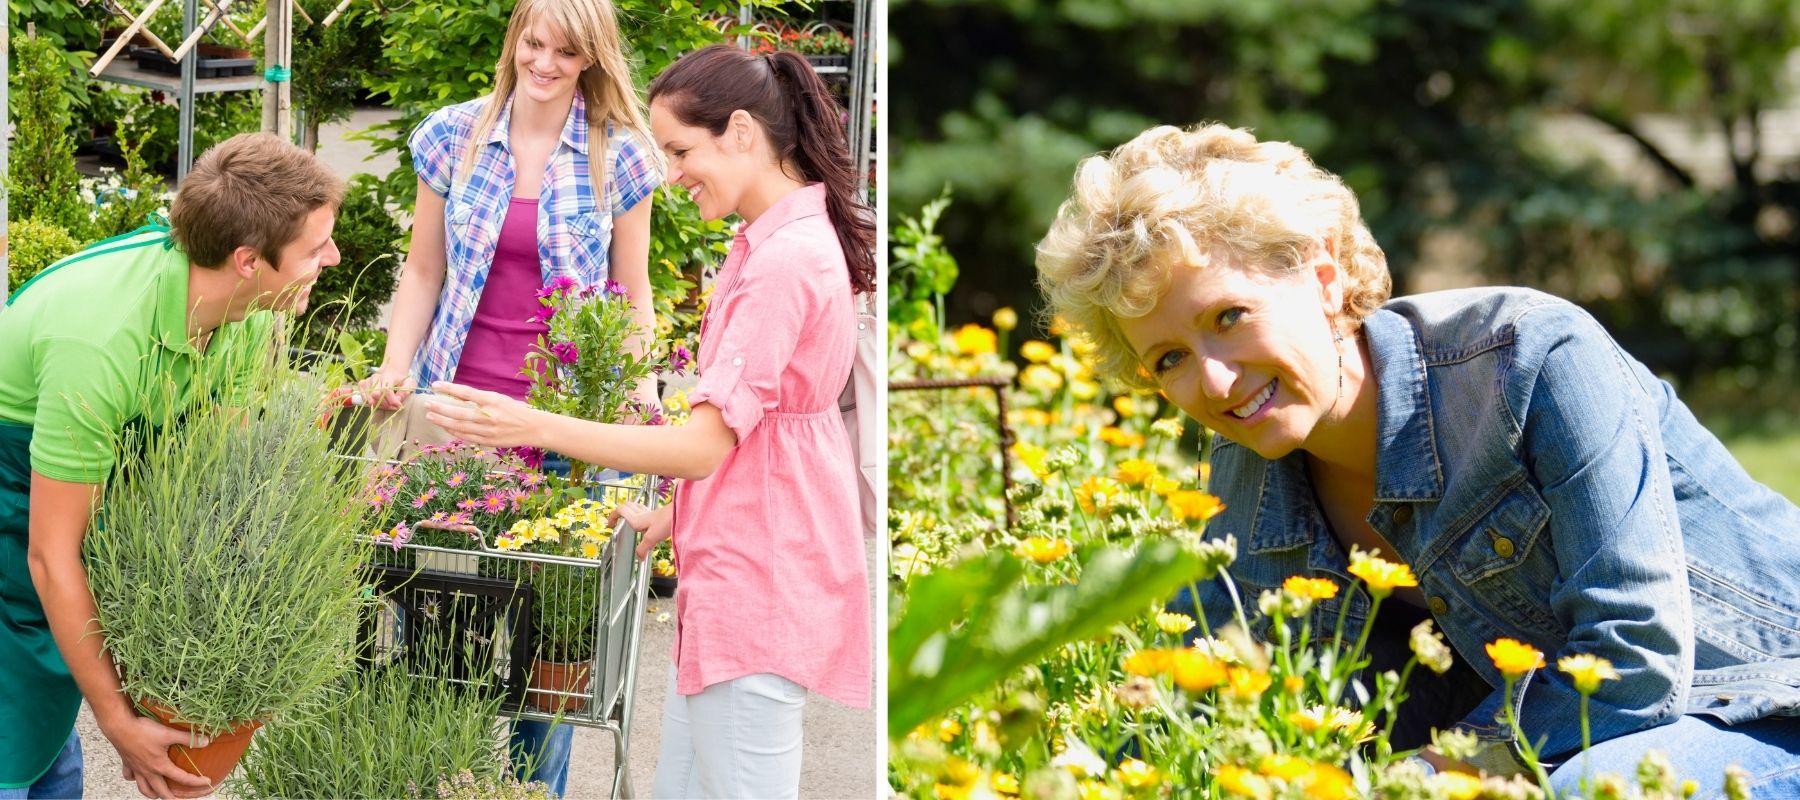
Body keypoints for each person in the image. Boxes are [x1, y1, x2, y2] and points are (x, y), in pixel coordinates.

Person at [1034, 123, 1800, 794]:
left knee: (1598, 788)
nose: (1215, 382)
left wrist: (1422, 779)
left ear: (1324, 277)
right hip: (1542, 756)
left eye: (1229, 317)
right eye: (1168, 359)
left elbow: (1632, 659)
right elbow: (1202, 694)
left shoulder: (1529, 360)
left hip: (1761, 703)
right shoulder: (1246, 471)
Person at [424, 44, 876, 799]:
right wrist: (673, 516)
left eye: (680, 150)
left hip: (755, 585)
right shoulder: (769, 239)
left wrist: (530, 424)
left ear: (740, 132)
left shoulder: (783, 261)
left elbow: (704, 446)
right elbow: (758, 431)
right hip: (743, 563)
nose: (670, 174)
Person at [344, 0, 660, 789]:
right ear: (513, 41)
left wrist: (640, 408)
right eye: (533, 42)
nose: (543, 62)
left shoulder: (616, 157)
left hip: (559, 431)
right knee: (437, 634)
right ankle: (439, 780)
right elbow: (423, 271)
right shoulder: (455, 136)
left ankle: (531, 790)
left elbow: (632, 295)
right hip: (455, 417)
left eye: (563, 50)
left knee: (547, 645)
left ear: (592, 57)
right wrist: (397, 367)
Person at [0, 132, 343, 799]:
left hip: (55, 552)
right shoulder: (99, 343)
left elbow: (203, 498)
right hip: (19, 530)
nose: (331, 258)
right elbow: (51, 556)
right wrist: (120, 722)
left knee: (46, 759)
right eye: (314, 248)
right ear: (248, 259)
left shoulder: (242, 317)